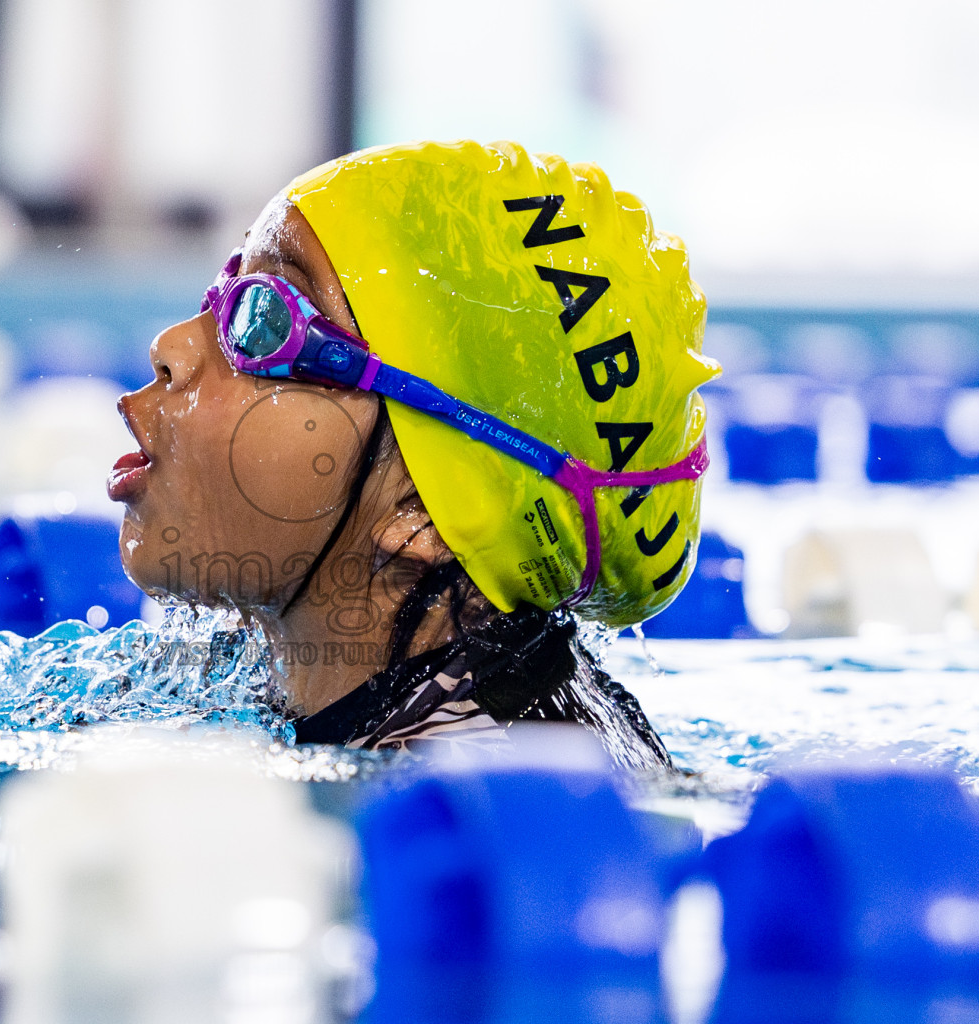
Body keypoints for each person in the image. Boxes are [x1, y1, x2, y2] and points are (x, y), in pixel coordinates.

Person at [107, 140, 719, 770]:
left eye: (266, 320)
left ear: (424, 514)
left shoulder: (458, 803)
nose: (173, 346)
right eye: (228, 285)